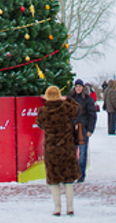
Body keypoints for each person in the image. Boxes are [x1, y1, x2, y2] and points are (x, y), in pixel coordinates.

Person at [37, 85, 82, 216]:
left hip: (52, 149)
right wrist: (66, 99)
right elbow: (77, 109)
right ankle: (70, 207)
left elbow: (40, 124)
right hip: (67, 148)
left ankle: (57, 208)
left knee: (54, 180)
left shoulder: (43, 111)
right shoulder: (66, 108)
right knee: (68, 180)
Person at [69, 79, 97, 183]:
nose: (78, 88)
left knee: (82, 153)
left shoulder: (88, 100)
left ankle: (81, 174)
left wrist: (90, 129)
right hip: (72, 128)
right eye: (76, 87)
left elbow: (92, 115)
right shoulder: (70, 99)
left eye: (80, 87)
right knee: (72, 152)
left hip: (82, 127)